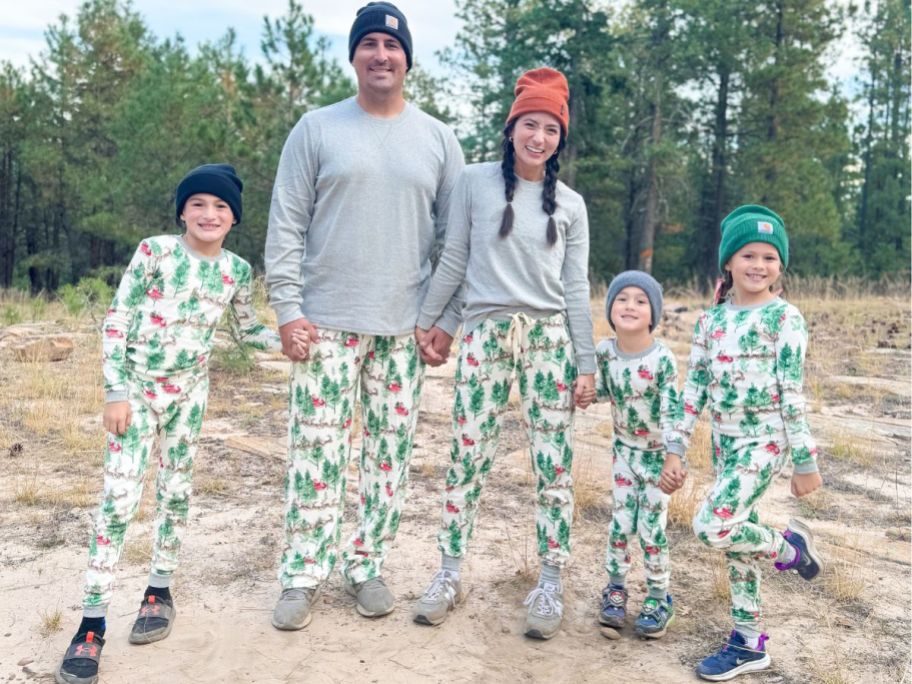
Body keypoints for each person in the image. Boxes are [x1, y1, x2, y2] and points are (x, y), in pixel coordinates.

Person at [265, 1, 465, 629]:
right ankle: (302, 574)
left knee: (387, 456)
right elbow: (286, 223)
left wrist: (445, 319)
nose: (382, 54)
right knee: (316, 453)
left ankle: (366, 563)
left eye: (393, 45)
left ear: (408, 59)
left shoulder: (438, 139)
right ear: (353, 55)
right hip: (323, 323)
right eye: (369, 43)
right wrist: (287, 309)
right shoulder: (316, 129)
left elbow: (456, 241)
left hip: (404, 330)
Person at [56, 164, 286, 684]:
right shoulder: (154, 251)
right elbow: (117, 318)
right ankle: (91, 626)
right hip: (136, 392)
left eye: (221, 207)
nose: (209, 214)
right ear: (182, 210)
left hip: (190, 395)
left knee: (175, 492)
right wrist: (115, 392)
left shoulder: (237, 271)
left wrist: (295, 342)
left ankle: (158, 592)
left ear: (235, 218)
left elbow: (248, 333)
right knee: (118, 502)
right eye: (199, 203)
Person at [410, 67, 596, 641]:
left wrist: (586, 362)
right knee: (467, 456)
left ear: (560, 140)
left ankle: (550, 583)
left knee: (552, 465)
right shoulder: (473, 182)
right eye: (529, 125)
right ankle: (448, 573)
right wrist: (431, 321)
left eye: (550, 130)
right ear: (510, 128)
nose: (538, 138)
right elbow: (457, 258)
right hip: (486, 336)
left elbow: (575, 288)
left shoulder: (570, 205)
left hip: (547, 342)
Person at [666, 205, 824, 681]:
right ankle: (748, 642)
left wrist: (805, 460)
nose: (759, 265)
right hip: (725, 444)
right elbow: (692, 391)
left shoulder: (785, 318)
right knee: (738, 542)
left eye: (770, 257)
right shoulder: (710, 323)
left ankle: (790, 549)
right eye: (748, 255)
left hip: (766, 444)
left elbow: (790, 393)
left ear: (781, 266)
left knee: (712, 525)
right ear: (728, 263)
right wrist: (676, 447)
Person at [592, 270, 685, 639]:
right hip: (623, 454)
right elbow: (599, 391)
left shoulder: (662, 359)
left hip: (658, 458)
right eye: (622, 298)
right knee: (620, 524)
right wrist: (581, 391)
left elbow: (673, 412)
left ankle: (660, 596)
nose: (630, 306)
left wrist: (674, 458)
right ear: (611, 308)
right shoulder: (605, 352)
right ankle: (615, 588)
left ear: (654, 314)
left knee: (651, 529)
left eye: (641, 300)